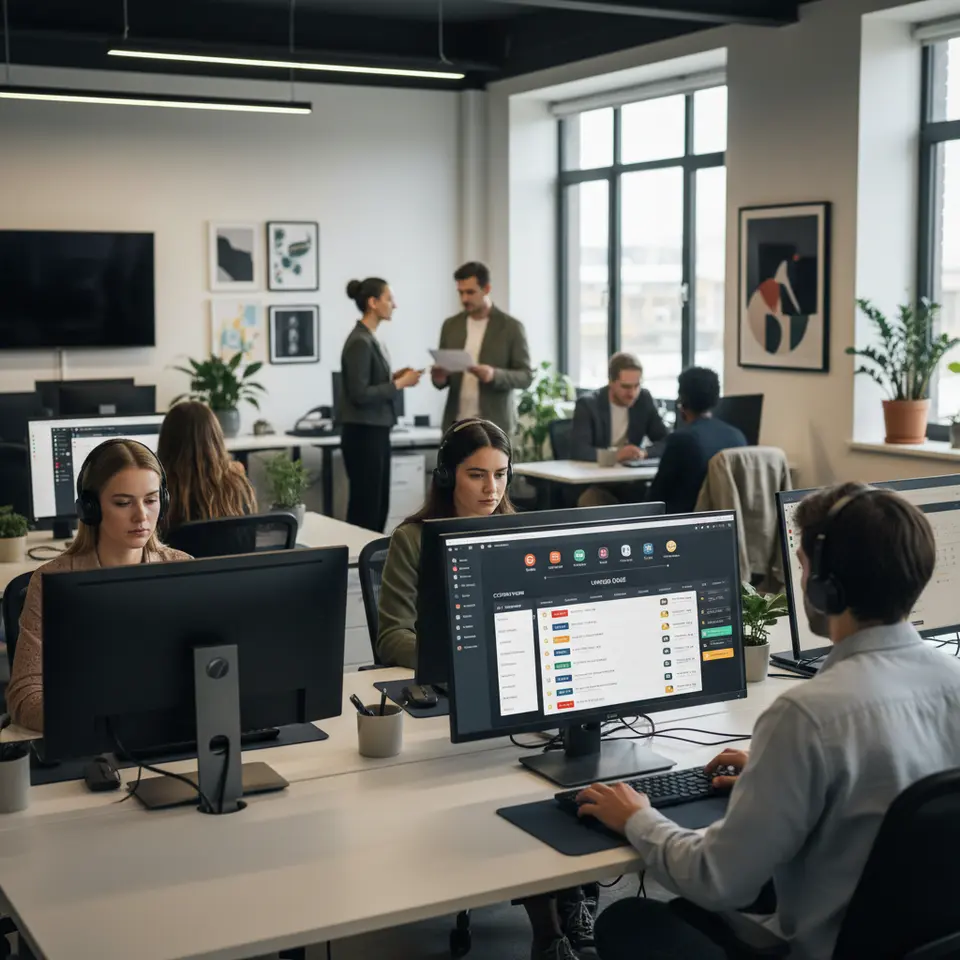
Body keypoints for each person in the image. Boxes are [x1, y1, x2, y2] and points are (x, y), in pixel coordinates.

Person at [577, 482, 960, 960]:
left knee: (628, 921)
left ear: (826, 585)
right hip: (926, 946)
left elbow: (719, 882)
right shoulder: (952, 680)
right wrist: (771, 777)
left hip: (823, 947)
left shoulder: (806, 716)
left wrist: (638, 818)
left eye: (800, 565)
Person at [378, 418, 597, 960]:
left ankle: (569, 896)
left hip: (524, 684)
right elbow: (391, 637)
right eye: (476, 475)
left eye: (500, 475)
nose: (490, 489)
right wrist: (460, 656)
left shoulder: (521, 532)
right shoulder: (413, 539)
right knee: (513, 787)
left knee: (566, 764)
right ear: (448, 475)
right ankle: (549, 929)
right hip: (449, 700)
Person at [6, 439, 191, 732]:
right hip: (91, 743)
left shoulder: (183, 570)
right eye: (123, 502)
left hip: (168, 736)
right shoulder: (52, 583)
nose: (141, 515)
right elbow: (24, 696)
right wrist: (101, 724)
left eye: (151, 500)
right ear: (90, 509)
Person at [340, 277, 421, 533]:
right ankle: (358, 566)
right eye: (389, 298)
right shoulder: (360, 342)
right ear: (373, 303)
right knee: (367, 507)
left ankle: (368, 564)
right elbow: (359, 393)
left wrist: (395, 378)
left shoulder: (371, 339)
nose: (394, 305)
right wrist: (398, 385)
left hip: (375, 430)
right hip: (363, 433)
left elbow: (369, 384)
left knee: (377, 505)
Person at [432, 262, 533, 434]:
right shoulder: (451, 326)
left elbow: (526, 377)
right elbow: (441, 382)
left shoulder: (511, 327)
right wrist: (439, 377)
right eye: (461, 292)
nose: (464, 299)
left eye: (470, 292)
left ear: (486, 289)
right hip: (456, 425)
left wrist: (494, 375)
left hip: (494, 427)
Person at [573, 352, 668, 509]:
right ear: (611, 382)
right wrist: (616, 455)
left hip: (630, 481)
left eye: (637, 386)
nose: (632, 393)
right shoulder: (588, 405)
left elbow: (666, 441)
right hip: (596, 482)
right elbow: (579, 450)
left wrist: (644, 453)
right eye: (625, 387)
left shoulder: (644, 399)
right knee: (592, 500)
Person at [647, 366, 746, 514]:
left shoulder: (681, 440)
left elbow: (656, 498)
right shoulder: (738, 437)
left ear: (682, 400)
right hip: (727, 524)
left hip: (684, 525)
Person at [156, 400, 257, 536]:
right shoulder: (238, 487)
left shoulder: (157, 492)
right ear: (216, 439)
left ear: (166, 443)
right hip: (231, 558)